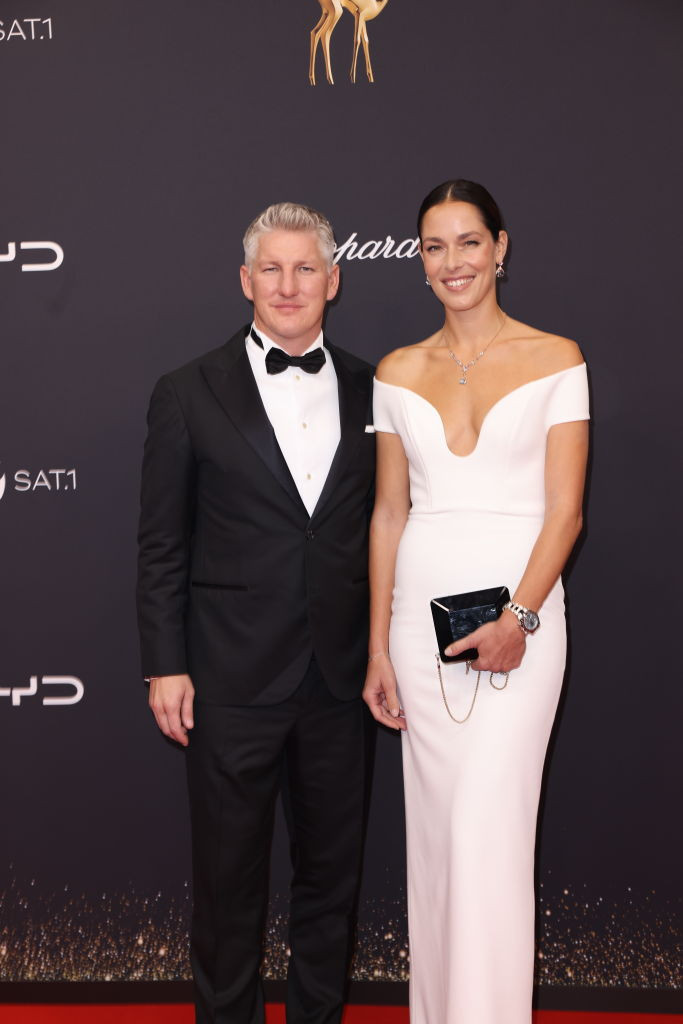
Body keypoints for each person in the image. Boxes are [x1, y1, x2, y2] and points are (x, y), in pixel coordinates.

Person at [136, 202, 375, 1024]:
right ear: (245, 280)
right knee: (227, 887)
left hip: (340, 680)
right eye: (270, 268)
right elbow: (161, 544)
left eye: (305, 268)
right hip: (228, 679)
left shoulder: (376, 388)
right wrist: (165, 663)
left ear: (332, 280)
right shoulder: (185, 392)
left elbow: (390, 527)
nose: (287, 284)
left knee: (331, 884)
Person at [363, 179, 589, 1024]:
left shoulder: (556, 358)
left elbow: (565, 512)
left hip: (522, 628)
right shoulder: (396, 372)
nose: (451, 261)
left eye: (467, 242)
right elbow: (389, 514)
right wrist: (377, 646)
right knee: (437, 842)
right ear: (419, 262)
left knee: (486, 834)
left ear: (500, 248)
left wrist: (518, 620)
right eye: (434, 246)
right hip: (417, 634)